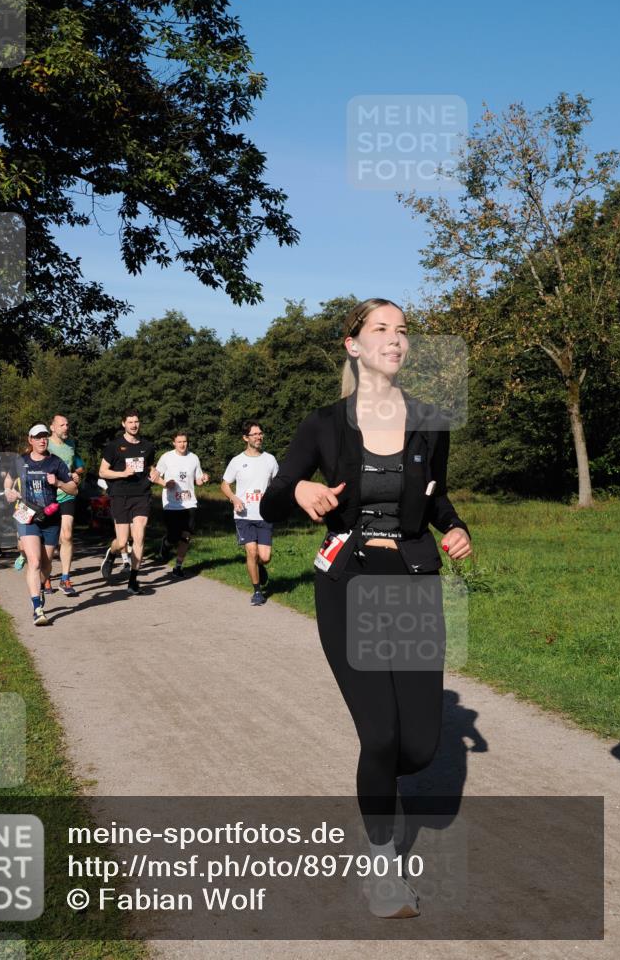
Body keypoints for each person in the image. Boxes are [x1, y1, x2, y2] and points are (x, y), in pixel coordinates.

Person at [260, 298, 472, 919]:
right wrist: (299, 487)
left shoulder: (430, 421)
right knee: (379, 733)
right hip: (349, 580)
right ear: (353, 345)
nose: (396, 339)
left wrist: (454, 527)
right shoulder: (324, 424)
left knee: (421, 749)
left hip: (411, 580)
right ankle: (381, 865)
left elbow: (434, 497)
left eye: (403, 330)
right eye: (381, 329)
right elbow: (274, 496)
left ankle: (382, 789)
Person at [4, 424, 78, 626]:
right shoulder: (21, 461)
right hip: (26, 515)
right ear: (30, 440)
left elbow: (74, 490)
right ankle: (37, 608)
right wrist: (8, 492)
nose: (42, 440)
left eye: (45, 436)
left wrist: (59, 484)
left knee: (46, 565)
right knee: (34, 561)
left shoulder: (56, 463)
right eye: (38, 437)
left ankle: (40, 587)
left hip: (50, 517)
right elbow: (9, 479)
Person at [220, 421, 279, 606]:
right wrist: (234, 499)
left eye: (260, 433)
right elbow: (224, 484)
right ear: (245, 438)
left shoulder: (270, 460)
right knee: (251, 552)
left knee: (265, 557)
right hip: (244, 515)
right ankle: (257, 591)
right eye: (254, 434)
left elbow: (278, 485)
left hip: (265, 515)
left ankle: (260, 567)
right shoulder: (237, 461)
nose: (258, 437)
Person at [98, 409, 156, 594]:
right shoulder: (114, 446)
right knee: (122, 541)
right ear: (123, 424)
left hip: (141, 495)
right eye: (130, 422)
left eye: (136, 421)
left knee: (139, 537)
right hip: (120, 495)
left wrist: (154, 474)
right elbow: (102, 472)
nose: (134, 425)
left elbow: (149, 467)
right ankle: (112, 552)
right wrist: (122, 473)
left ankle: (133, 579)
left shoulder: (148, 446)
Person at [152, 432, 210, 577]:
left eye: (185, 441)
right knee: (173, 536)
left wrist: (204, 478)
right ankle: (166, 544)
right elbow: (155, 476)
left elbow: (198, 480)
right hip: (172, 504)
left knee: (186, 536)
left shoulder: (194, 458)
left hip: (189, 502)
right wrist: (165, 483)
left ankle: (178, 566)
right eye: (179, 442)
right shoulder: (167, 457)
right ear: (174, 443)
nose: (182, 444)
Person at [47, 414, 85, 597]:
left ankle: (65, 578)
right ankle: (45, 576)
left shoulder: (71, 444)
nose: (65, 428)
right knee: (49, 540)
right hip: (47, 497)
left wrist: (76, 474)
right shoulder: (44, 444)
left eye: (67, 424)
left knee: (67, 534)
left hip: (67, 494)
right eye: (61, 425)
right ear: (52, 427)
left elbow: (77, 466)